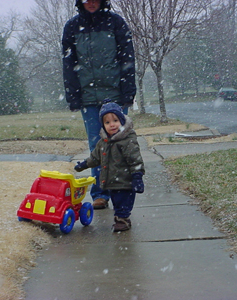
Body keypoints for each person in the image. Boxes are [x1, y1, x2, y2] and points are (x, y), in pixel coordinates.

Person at [62, 0, 136, 210]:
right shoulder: (72, 27)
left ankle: (121, 190)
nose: (91, 3)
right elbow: (68, 64)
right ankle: (100, 193)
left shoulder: (116, 23)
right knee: (98, 147)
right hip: (88, 98)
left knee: (120, 146)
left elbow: (127, 58)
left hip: (115, 96)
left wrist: (128, 92)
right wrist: (73, 95)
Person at [74, 101, 144, 232]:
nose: (112, 125)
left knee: (123, 203)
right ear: (103, 125)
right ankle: (120, 218)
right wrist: (83, 164)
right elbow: (95, 158)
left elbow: (135, 160)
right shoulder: (103, 142)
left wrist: (137, 177)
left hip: (125, 181)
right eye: (107, 122)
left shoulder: (127, 140)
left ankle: (123, 220)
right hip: (112, 181)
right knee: (116, 202)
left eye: (115, 120)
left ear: (122, 121)